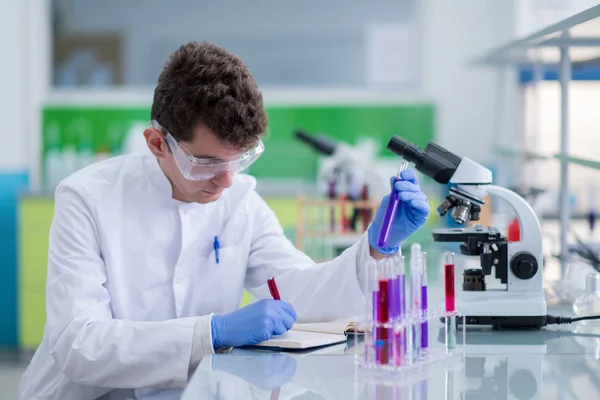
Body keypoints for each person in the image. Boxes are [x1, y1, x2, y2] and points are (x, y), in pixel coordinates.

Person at [19, 41, 429, 400]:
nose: (227, 180)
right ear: (157, 142)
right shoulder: (87, 198)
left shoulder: (241, 203)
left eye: (241, 159)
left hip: (194, 390)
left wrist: (376, 247)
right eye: (208, 162)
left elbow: (297, 292)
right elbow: (80, 345)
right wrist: (209, 333)